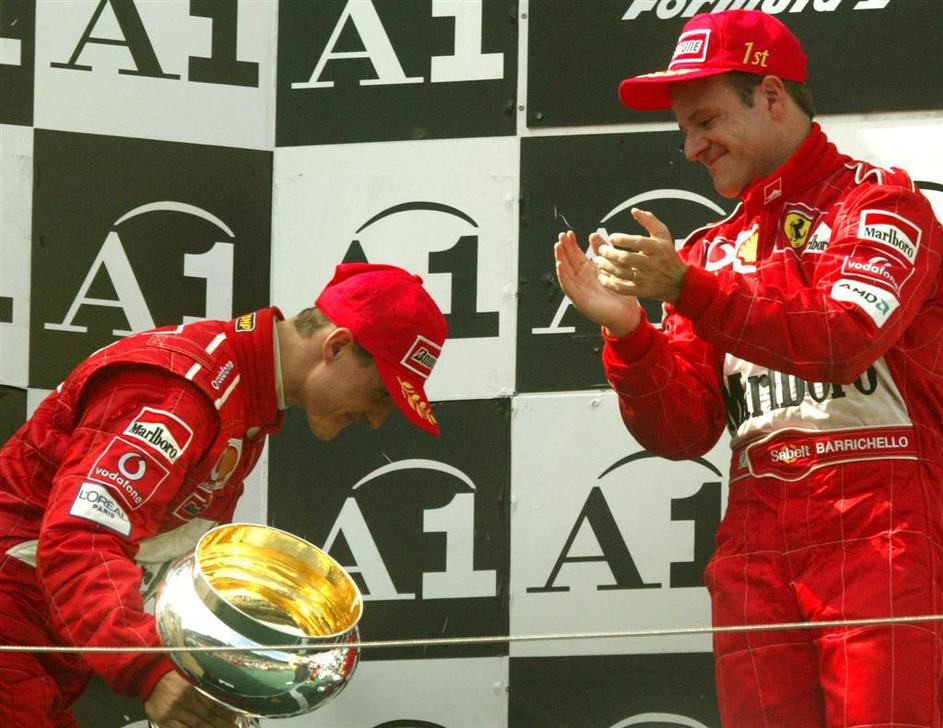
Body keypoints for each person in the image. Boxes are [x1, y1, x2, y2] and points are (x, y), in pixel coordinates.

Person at [555, 9, 942, 728]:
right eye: (683, 131)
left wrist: (689, 291)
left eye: (705, 121)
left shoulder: (881, 202)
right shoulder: (709, 251)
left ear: (770, 96)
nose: (691, 148)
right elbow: (683, 431)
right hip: (754, 544)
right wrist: (630, 334)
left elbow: (845, 339)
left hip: (880, 528)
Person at [0, 263, 447, 728]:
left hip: (43, 638)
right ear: (336, 346)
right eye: (381, 394)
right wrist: (148, 668)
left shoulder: (241, 394)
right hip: (13, 625)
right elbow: (80, 537)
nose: (376, 418)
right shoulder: (183, 391)